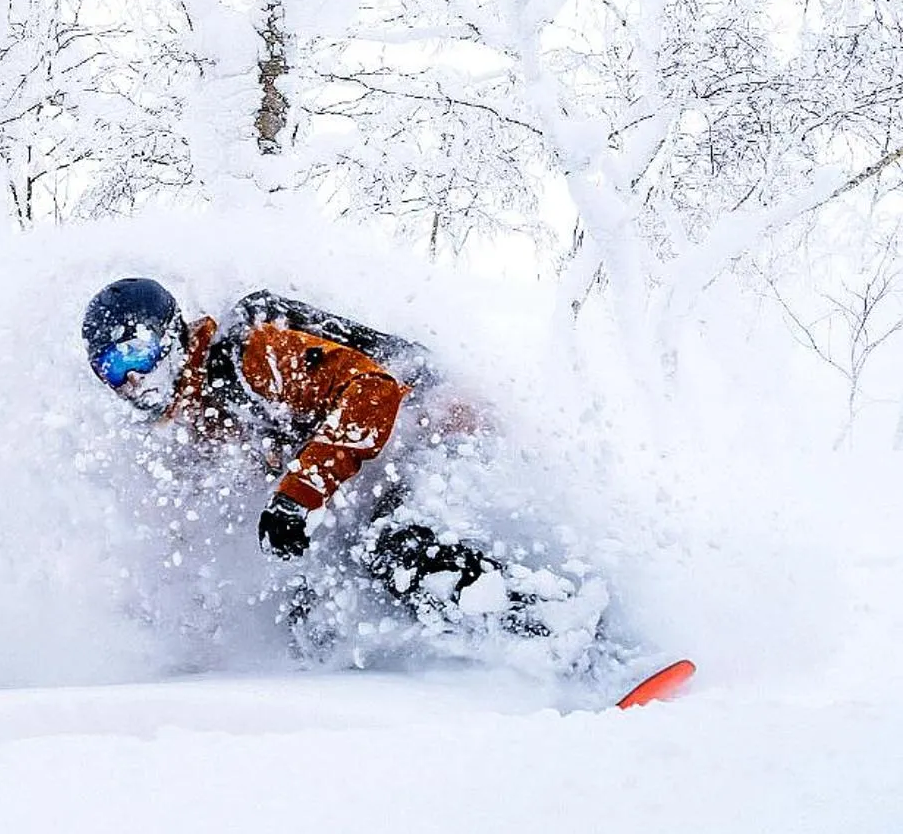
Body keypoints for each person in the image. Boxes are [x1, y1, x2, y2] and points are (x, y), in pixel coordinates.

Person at [80, 277, 612, 669]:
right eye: (112, 370)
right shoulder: (199, 415)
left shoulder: (250, 356)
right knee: (313, 606)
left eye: (137, 354)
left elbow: (373, 392)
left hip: (436, 425)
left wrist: (298, 494)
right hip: (385, 462)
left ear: (172, 336)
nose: (133, 380)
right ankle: (465, 674)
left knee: (396, 551)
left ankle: (569, 636)